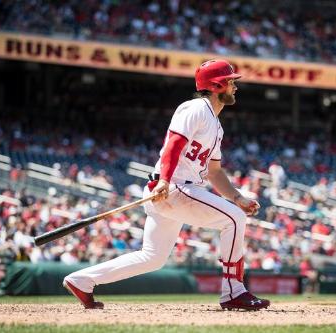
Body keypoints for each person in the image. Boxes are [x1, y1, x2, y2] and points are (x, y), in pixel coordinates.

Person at [63, 59, 270, 311]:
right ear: (216, 85)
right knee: (234, 219)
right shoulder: (195, 108)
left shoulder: (216, 124)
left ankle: (81, 280)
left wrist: (237, 197)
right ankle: (233, 291)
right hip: (175, 187)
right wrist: (165, 180)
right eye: (230, 82)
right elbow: (173, 144)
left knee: (152, 258)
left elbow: (214, 172)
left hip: (174, 189)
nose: (234, 87)